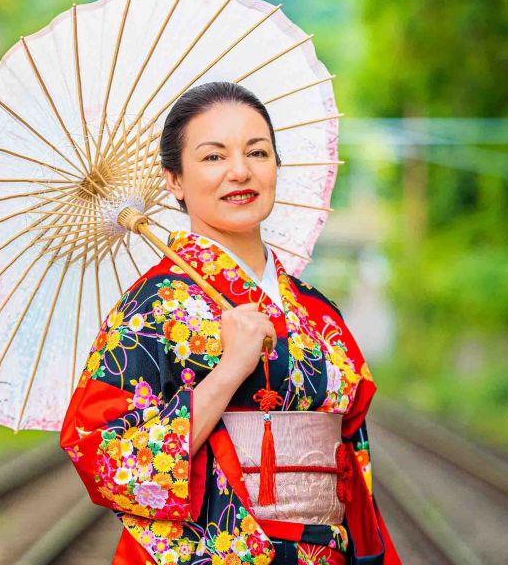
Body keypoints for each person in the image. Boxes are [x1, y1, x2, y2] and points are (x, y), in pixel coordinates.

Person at [60, 81, 401, 564]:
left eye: (257, 152)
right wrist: (228, 370)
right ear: (174, 180)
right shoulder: (152, 309)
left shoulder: (316, 311)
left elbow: (351, 461)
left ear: (276, 166)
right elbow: (101, 453)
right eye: (213, 157)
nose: (240, 172)